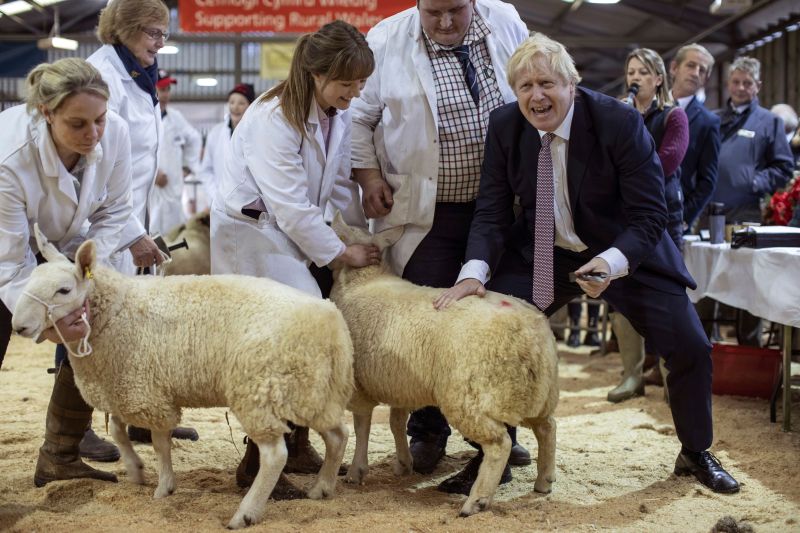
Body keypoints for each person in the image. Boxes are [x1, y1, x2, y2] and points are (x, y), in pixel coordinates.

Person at [435, 33, 740, 495]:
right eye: (525, 87)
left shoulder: (617, 121)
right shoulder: (504, 126)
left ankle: (695, 451)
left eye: (547, 83)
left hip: (623, 250)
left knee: (690, 345)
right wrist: (474, 273)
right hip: (544, 253)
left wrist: (612, 262)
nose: (537, 96)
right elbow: (493, 211)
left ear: (571, 84)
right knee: (493, 336)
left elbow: (649, 214)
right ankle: (495, 453)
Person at [350, 0, 530, 483]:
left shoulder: (505, 20)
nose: (446, 23)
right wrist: (368, 178)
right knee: (427, 322)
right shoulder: (386, 39)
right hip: (427, 214)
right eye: (434, 13)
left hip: (500, 209)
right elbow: (357, 118)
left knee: (495, 322)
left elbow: (532, 90)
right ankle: (429, 428)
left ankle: (497, 429)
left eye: (456, 10)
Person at [211, 19, 378, 499]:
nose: (356, 90)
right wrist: (342, 252)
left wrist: (363, 221)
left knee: (299, 333)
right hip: (252, 233)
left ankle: (297, 442)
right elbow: (288, 204)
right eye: (348, 82)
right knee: (285, 338)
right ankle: (256, 460)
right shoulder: (271, 118)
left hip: (285, 232)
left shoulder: (335, 112)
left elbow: (337, 182)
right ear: (317, 74)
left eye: (361, 81)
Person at [0, 58, 133, 485]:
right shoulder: (9, 158)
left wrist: (80, 280)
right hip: (6, 246)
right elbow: (9, 260)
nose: (93, 134)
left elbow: (116, 211)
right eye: (77, 124)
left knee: (88, 326)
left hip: (60, 245)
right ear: (46, 112)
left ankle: (60, 455)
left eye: (100, 119)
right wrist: (49, 317)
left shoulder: (116, 136)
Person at [87, 0, 198, 444]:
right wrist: (130, 230)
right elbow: (99, 167)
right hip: (102, 219)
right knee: (95, 320)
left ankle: (136, 415)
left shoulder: (138, 73)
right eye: (153, 33)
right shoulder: (102, 77)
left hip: (132, 214)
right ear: (125, 29)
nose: (161, 43)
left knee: (131, 320)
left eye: (164, 34)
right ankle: (75, 432)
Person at [607, 48, 689, 403]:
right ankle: (631, 375)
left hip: (664, 221)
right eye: (631, 71)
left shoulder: (674, 117)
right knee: (622, 297)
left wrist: (627, 169)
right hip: (624, 222)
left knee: (669, 299)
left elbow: (667, 162)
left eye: (643, 71)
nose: (635, 77)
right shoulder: (619, 115)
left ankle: (674, 379)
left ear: (658, 79)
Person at [711, 57, 794, 224]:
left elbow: (784, 168)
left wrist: (753, 182)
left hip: (746, 210)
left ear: (758, 86)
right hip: (709, 208)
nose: (741, 88)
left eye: (747, 83)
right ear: (728, 84)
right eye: (736, 82)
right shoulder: (713, 119)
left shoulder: (770, 122)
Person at [669, 44, 720, 231]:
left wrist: (684, 218)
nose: (695, 72)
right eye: (690, 65)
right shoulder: (650, 109)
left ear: (706, 78)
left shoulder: (709, 122)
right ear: (674, 68)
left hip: (674, 219)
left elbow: (708, 180)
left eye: (702, 70)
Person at [150, 70, 202, 236]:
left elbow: (194, 139)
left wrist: (187, 166)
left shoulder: (176, 118)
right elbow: (132, 152)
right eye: (161, 89)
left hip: (173, 192)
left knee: (173, 240)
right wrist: (153, 173)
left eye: (167, 90)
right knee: (150, 236)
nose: (165, 95)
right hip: (150, 192)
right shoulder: (143, 117)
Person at [197, 83, 255, 211]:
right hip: (219, 203)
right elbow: (206, 170)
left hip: (248, 205)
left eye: (241, 103)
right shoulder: (216, 133)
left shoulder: (256, 135)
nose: (235, 107)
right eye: (232, 102)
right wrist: (215, 196)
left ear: (250, 106)